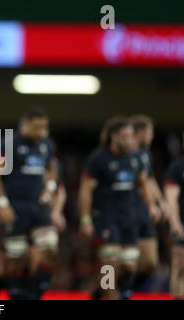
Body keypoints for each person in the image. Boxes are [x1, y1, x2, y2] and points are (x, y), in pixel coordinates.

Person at [79, 116, 160, 300]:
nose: (130, 140)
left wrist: (151, 206)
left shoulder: (135, 158)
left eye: (131, 136)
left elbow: (143, 182)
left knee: (129, 266)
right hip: (106, 217)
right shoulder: (98, 159)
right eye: (126, 136)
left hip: (128, 217)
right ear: (113, 137)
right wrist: (85, 219)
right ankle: (108, 295)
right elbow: (85, 191)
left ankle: (98, 292)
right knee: (109, 264)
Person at [0, 108, 60, 300]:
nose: (42, 131)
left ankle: (35, 295)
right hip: (15, 208)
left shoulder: (46, 145)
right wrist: (1, 204)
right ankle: (15, 294)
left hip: (39, 209)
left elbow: (53, 168)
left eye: (44, 127)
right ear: (25, 126)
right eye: (37, 127)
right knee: (17, 258)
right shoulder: (9, 145)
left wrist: (50, 188)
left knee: (50, 250)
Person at [129, 115, 168, 295]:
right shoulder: (125, 152)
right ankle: (107, 290)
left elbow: (149, 180)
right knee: (115, 261)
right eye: (150, 131)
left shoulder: (145, 154)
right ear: (141, 132)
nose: (152, 136)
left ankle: (126, 289)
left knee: (150, 263)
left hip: (142, 210)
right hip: (123, 211)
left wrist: (160, 202)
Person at [164, 133, 184, 300]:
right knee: (180, 265)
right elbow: (171, 198)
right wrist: (175, 222)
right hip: (182, 222)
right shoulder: (177, 167)